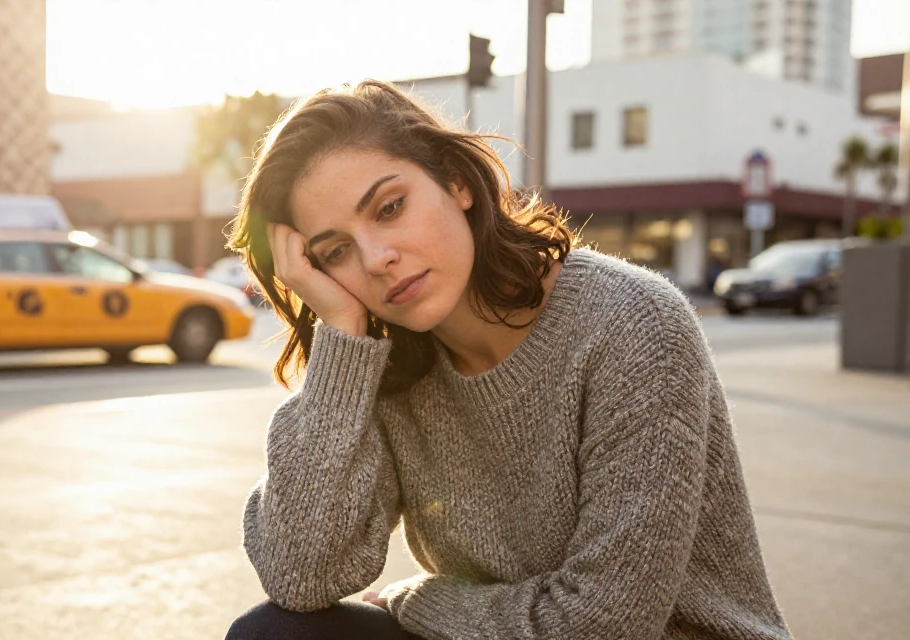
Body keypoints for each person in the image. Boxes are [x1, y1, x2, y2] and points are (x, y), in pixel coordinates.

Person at [224, 80, 792, 640]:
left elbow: (603, 626)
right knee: (272, 634)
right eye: (336, 252)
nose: (376, 260)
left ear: (456, 181)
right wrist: (342, 341)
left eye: (390, 208)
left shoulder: (631, 323)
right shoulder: (386, 367)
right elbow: (299, 576)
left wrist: (418, 599)